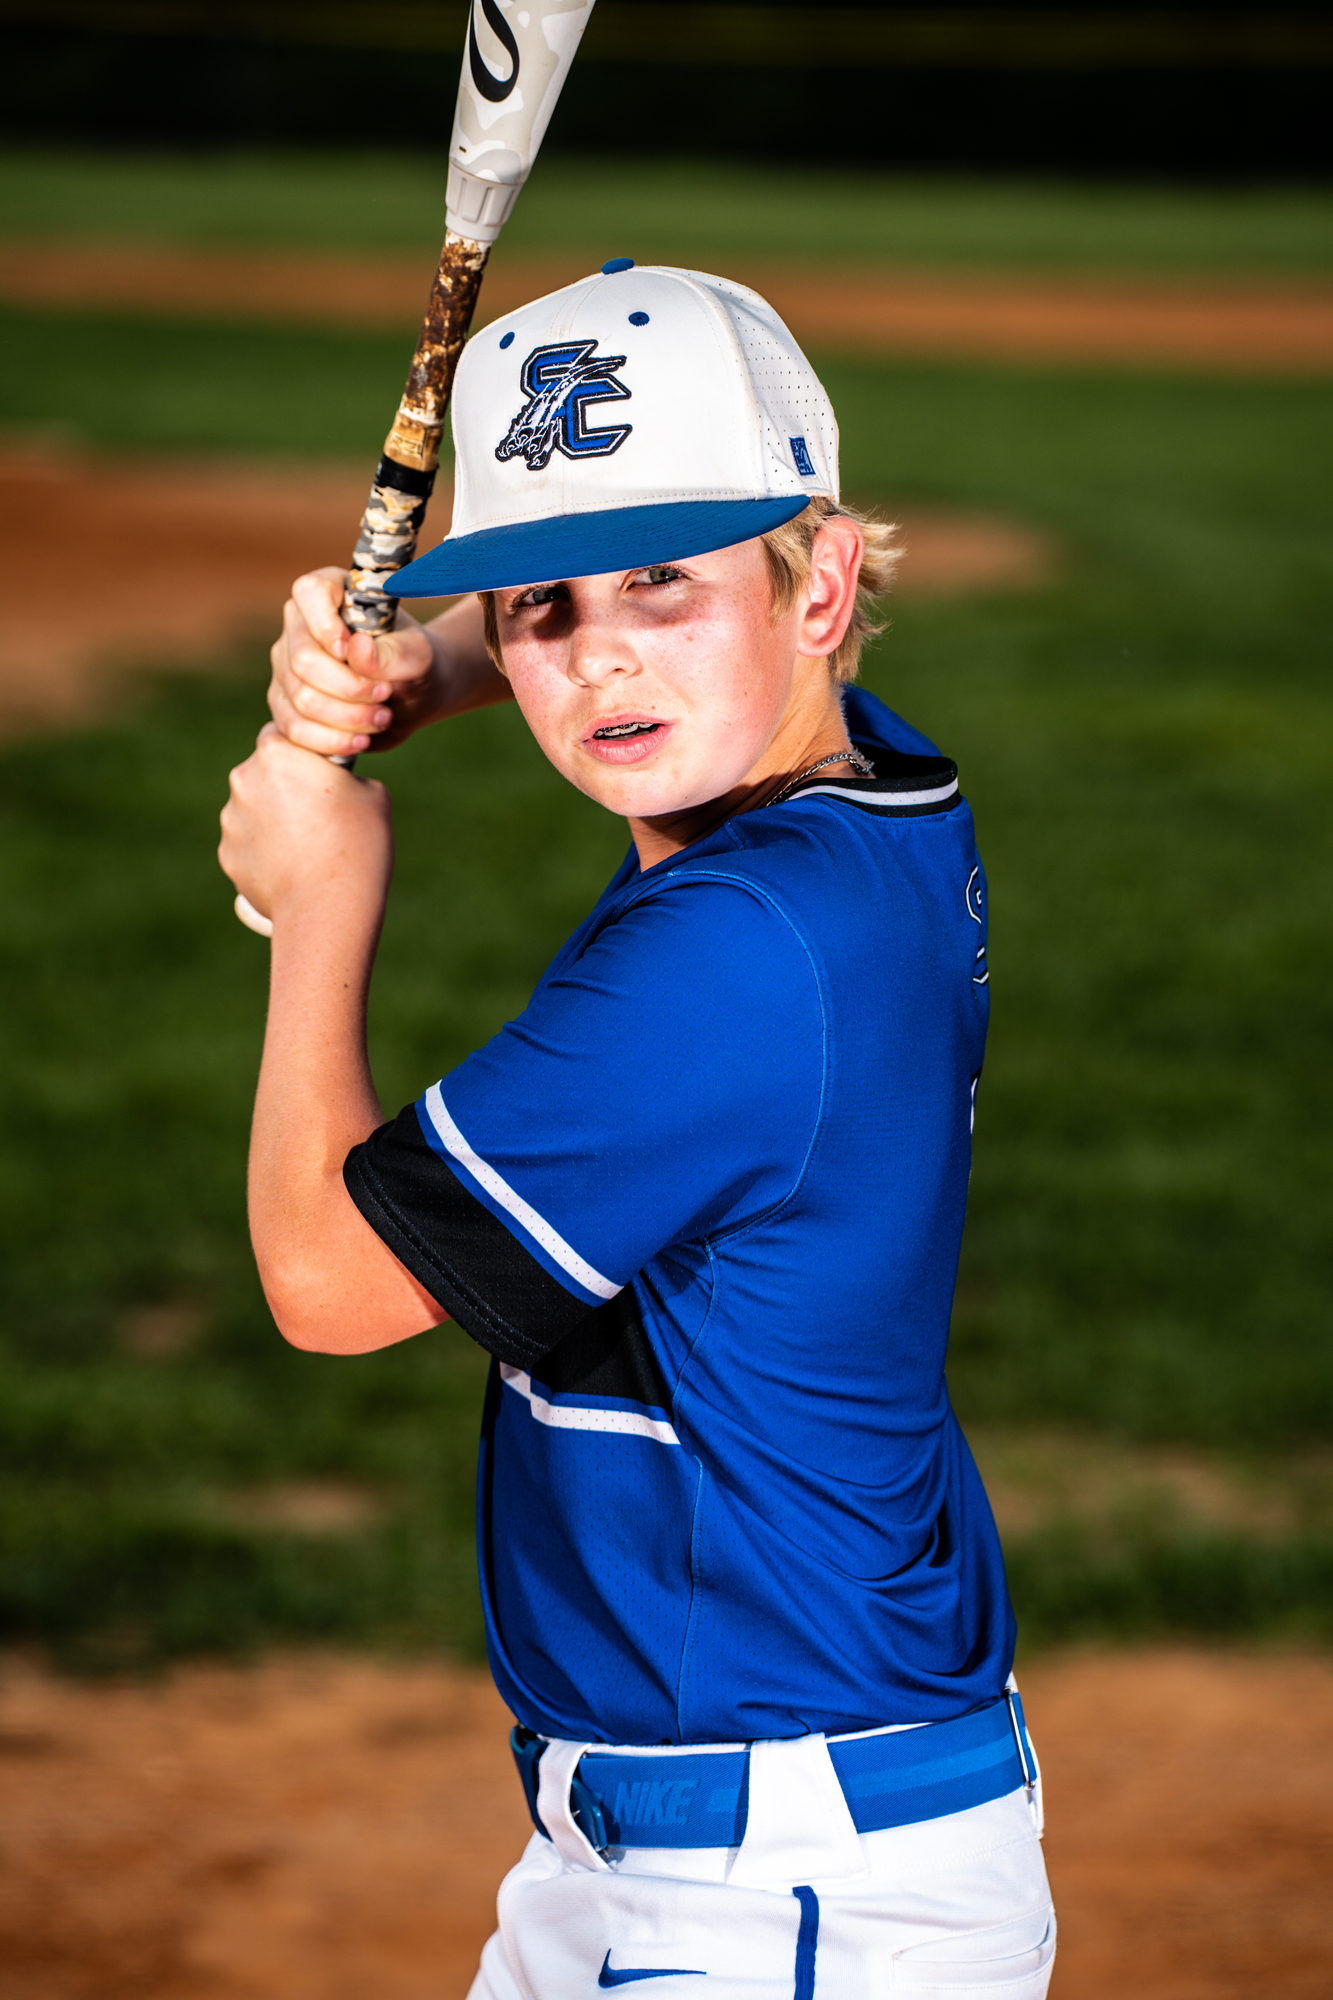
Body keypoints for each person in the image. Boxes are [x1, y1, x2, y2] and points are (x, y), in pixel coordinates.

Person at [221, 263, 1056, 2000]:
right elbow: (628, 642)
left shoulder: (736, 956)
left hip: (781, 1892)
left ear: (823, 585)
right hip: (717, 1823)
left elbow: (326, 1282)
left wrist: (320, 905)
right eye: (539, 602)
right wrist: (422, 671)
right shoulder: (865, 797)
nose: (598, 654)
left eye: (664, 580)